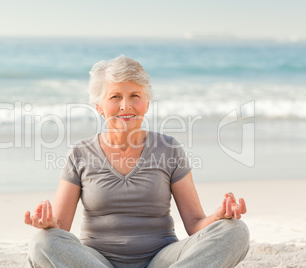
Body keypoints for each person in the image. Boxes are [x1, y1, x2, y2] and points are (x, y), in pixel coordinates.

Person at [24, 55, 249, 268]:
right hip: (97, 262)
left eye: (135, 96)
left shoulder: (169, 149)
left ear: (146, 104)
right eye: (115, 97)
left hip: (162, 260)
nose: (126, 105)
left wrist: (219, 217)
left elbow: (195, 224)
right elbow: (61, 229)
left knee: (235, 231)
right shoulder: (80, 153)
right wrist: (48, 225)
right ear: (99, 107)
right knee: (41, 242)